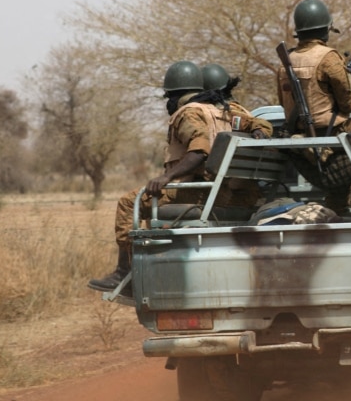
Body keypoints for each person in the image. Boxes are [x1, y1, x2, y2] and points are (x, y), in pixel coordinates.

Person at [89, 60, 273, 292]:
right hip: (238, 194)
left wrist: (166, 178)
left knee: (129, 203)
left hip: (201, 193)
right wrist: (258, 131)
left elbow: (199, 151)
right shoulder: (230, 112)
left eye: (169, 98)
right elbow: (262, 124)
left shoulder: (188, 113)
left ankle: (125, 274)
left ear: (175, 95)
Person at [276, 0, 351, 213]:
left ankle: (337, 211)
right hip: (332, 135)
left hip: (302, 140)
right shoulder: (329, 58)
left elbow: (284, 104)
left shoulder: (285, 61)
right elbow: (348, 103)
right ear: (326, 30)